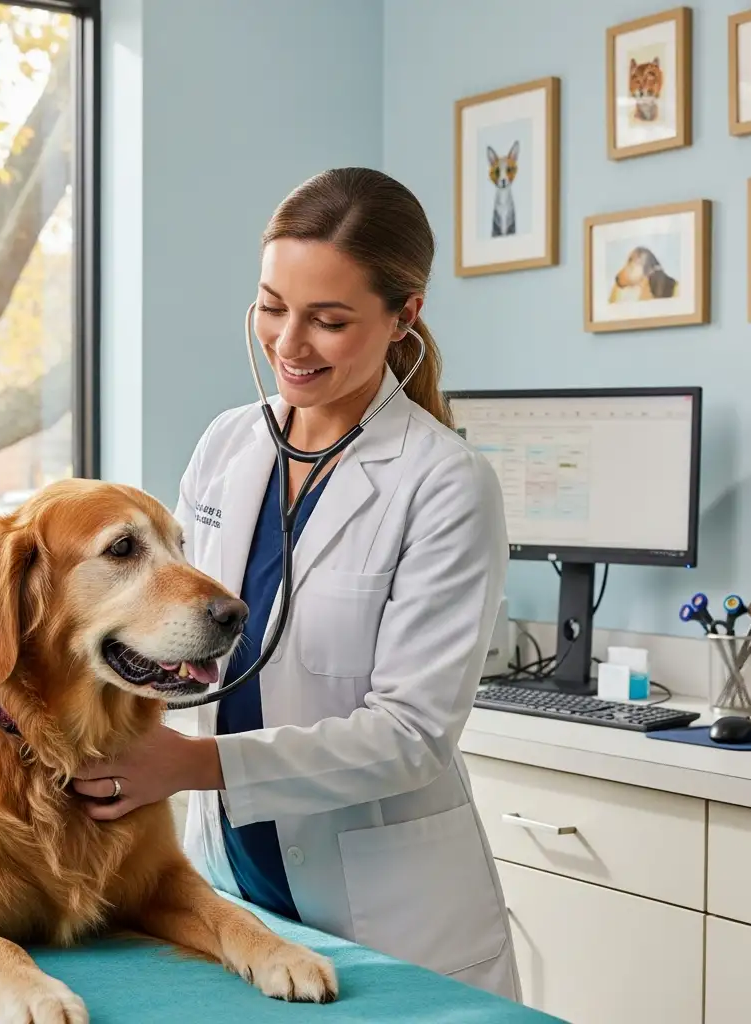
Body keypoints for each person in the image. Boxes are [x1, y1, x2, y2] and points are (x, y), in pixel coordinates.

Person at [73, 167, 520, 1000]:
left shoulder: (445, 482)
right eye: (272, 306)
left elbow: (412, 734)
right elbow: (172, 630)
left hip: (384, 907)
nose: (288, 343)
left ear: (404, 317)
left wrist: (193, 763)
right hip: (230, 881)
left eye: (329, 320)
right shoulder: (228, 443)